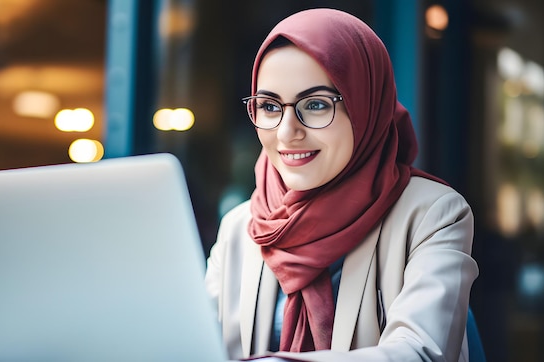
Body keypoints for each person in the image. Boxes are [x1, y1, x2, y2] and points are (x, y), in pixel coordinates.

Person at [204, 8, 479, 362]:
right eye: (270, 106)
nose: (287, 132)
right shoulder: (241, 228)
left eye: (316, 104)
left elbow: (420, 353)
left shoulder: (434, 215)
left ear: (365, 107)